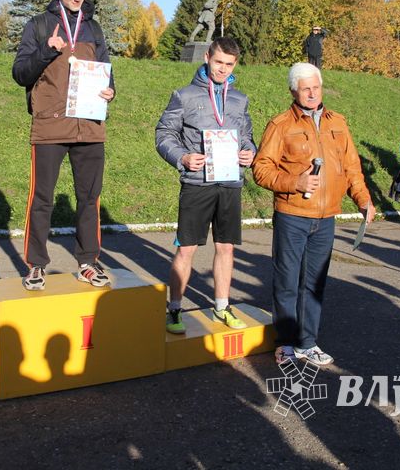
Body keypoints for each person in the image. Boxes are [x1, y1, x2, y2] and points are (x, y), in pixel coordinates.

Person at [253, 62, 374, 366]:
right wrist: (296, 182)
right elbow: (261, 169)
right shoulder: (280, 125)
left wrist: (363, 199)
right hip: (292, 214)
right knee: (287, 281)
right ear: (293, 91)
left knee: (314, 283)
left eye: (315, 87)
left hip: (326, 217)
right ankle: (286, 344)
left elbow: (351, 168)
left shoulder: (338, 123)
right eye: (304, 88)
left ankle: (308, 343)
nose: (311, 93)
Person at [12, 0, 115, 291]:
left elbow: (106, 70)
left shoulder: (94, 28)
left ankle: (88, 262)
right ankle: (36, 265)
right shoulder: (39, 26)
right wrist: (46, 51)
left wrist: (110, 90)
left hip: (89, 126)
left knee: (89, 199)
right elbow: (20, 74)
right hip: (50, 127)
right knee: (42, 199)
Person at [155, 37, 257, 334]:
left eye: (229, 64)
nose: (222, 69)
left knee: (226, 247)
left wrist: (250, 152)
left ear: (235, 64)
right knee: (186, 249)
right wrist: (183, 157)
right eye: (218, 62)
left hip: (229, 182)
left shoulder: (240, 99)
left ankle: (222, 307)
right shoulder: (184, 95)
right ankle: (175, 309)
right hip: (197, 183)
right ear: (207, 58)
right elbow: (164, 135)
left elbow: (248, 135)